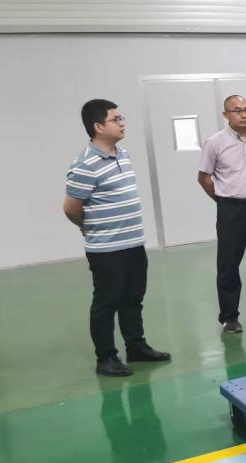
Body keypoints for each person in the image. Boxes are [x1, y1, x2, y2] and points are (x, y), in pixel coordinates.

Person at [63, 99, 170, 377]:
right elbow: (71, 208)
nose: (122, 123)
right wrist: (90, 227)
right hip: (106, 249)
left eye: (121, 118)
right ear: (98, 126)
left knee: (133, 298)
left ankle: (136, 346)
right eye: (116, 119)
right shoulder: (85, 164)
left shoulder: (123, 154)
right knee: (106, 303)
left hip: (133, 243)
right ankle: (106, 357)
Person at [198, 95, 246, 333]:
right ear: (226, 115)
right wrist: (224, 199)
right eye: (237, 111)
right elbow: (204, 178)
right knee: (229, 265)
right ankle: (229, 317)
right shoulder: (215, 143)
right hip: (230, 211)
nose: (244, 115)